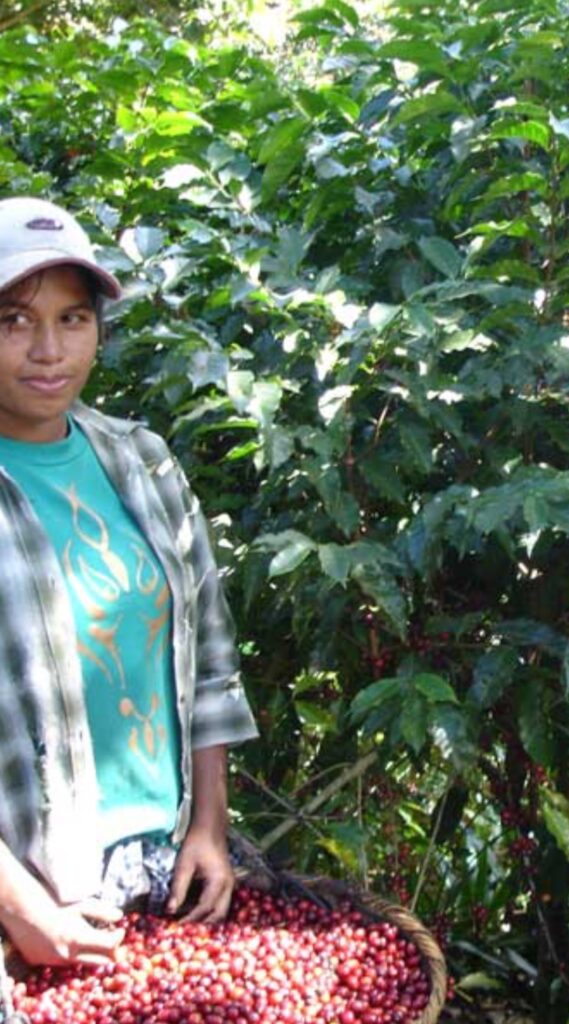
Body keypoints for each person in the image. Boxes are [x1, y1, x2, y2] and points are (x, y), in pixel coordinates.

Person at [0, 196, 257, 968]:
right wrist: (22, 909)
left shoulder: (142, 461)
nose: (48, 349)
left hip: (163, 868)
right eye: (14, 320)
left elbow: (208, 658)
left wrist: (208, 828)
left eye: (73, 319)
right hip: (36, 890)